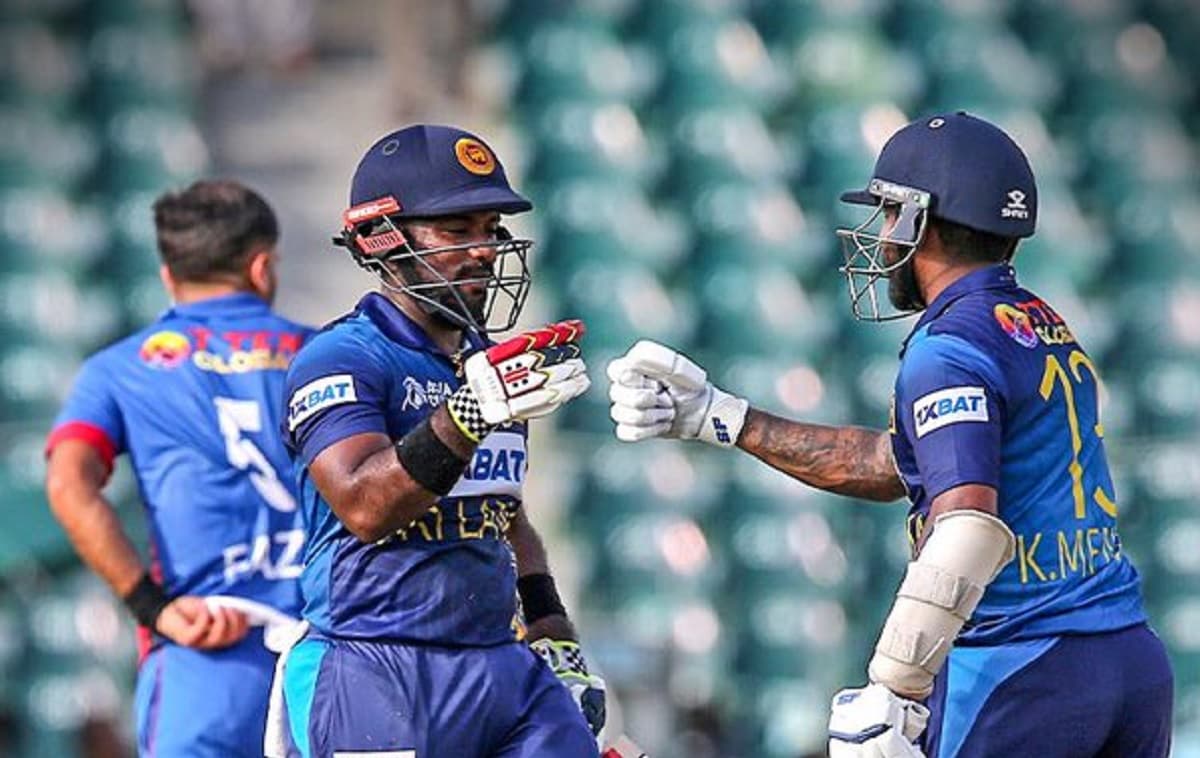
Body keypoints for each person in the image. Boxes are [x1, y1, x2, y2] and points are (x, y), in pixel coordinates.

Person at [606, 112, 1173, 757]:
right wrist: (727, 418)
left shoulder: (948, 346)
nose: (879, 235)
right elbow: (899, 461)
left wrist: (894, 686)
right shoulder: (1037, 320)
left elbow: (965, 526)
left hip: (1023, 669)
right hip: (1129, 657)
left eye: (887, 215)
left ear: (916, 221)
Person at [272, 124, 602, 758]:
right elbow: (364, 506)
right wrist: (466, 414)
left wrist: (552, 629)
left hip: (499, 663)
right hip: (374, 661)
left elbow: (503, 515)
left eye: (490, 229)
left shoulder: (489, 364)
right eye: (456, 230)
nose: (484, 250)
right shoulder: (341, 358)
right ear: (383, 239)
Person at [44, 180, 315, 756]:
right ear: (262, 267)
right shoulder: (329, 357)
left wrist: (152, 606)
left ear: (169, 275)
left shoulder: (118, 370)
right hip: (327, 659)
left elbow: (68, 483)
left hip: (207, 662)